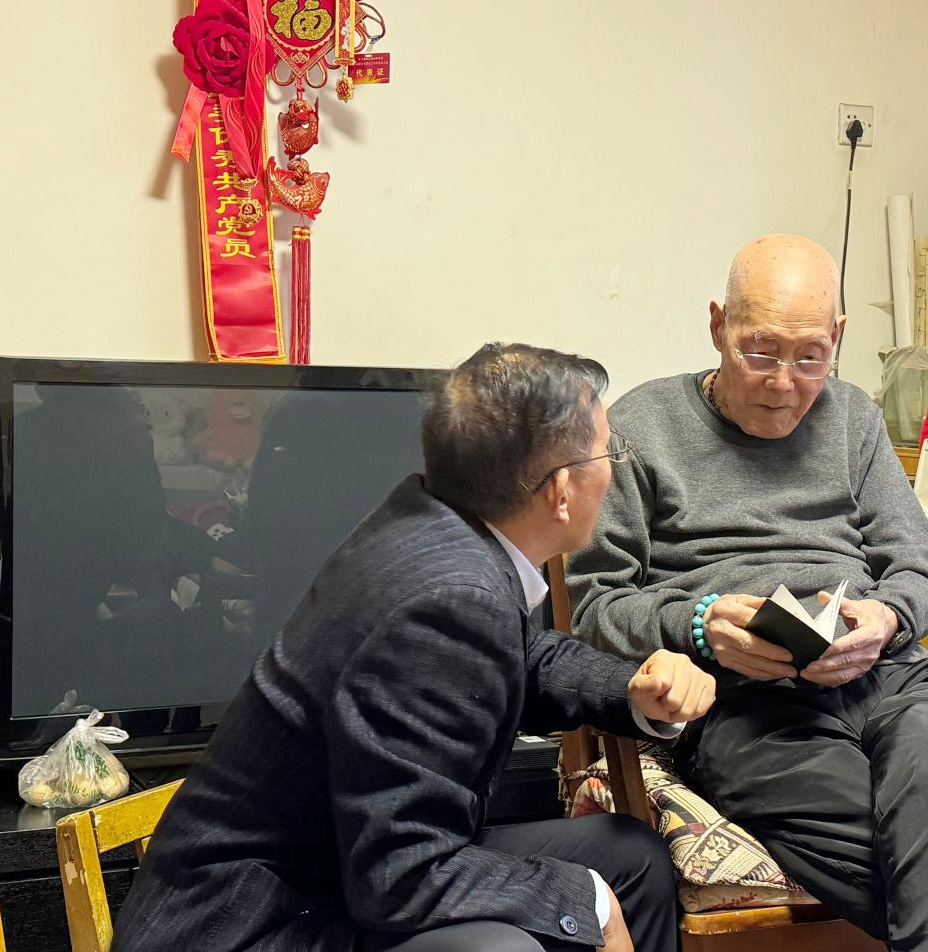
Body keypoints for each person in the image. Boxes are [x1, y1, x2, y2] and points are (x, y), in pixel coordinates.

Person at [113, 343, 716, 952]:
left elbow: (519, 654)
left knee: (629, 857)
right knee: (508, 946)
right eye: (609, 451)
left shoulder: (434, 523)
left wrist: (632, 689)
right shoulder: (451, 596)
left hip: (337, 867)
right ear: (560, 490)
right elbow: (400, 877)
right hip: (253, 923)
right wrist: (584, 900)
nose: (613, 468)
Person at [568, 235, 928, 951]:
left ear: (838, 338)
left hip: (889, 675)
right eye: (759, 352)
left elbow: (918, 570)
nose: (783, 383)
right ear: (717, 326)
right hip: (746, 702)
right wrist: (699, 625)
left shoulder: (854, 418)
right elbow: (596, 607)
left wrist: (884, 617)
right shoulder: (640, 426)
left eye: (810, 358)